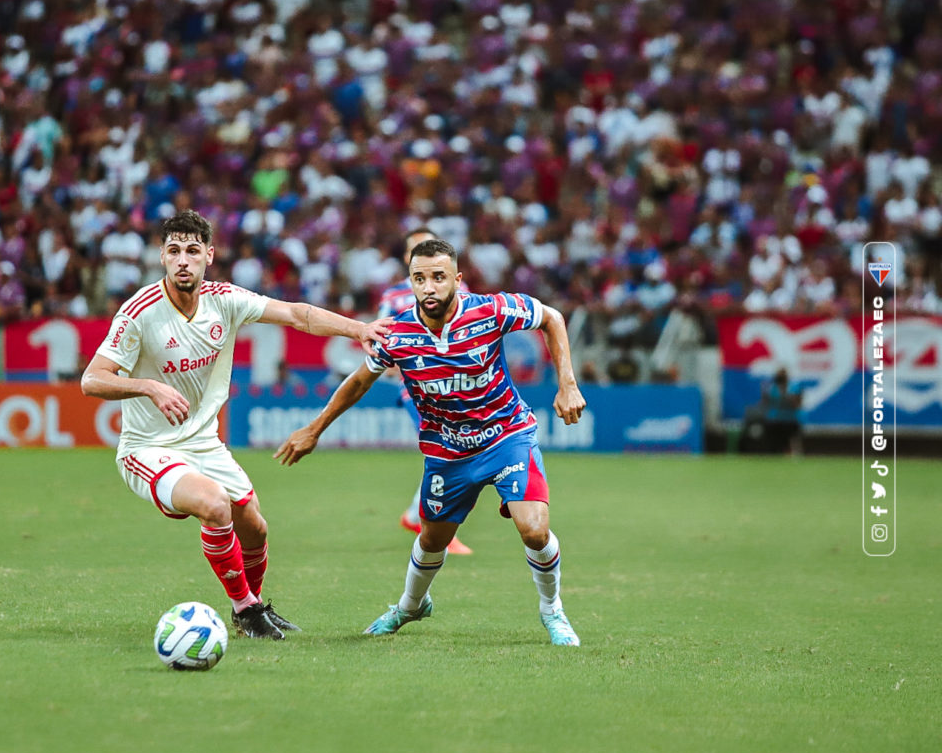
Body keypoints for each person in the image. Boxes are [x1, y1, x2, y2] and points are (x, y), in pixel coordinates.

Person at [81, 210, 389, 640]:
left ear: (209, 254)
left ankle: (253, 607)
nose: (183, 260)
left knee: (255, 527)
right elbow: (92, 379)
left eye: (192, 250)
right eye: (174, 251)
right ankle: (245, 608)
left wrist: (359, 328)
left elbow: (298, 315)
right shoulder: (140, 312)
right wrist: (150, 386)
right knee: (214, 505)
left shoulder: (225, 300)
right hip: (147, 448)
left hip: (204, 444)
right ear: (162, 258)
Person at [275, 238, 587, 645]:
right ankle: (410, 606)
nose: (429, 287)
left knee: (534, 529)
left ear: (457, 279)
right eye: (419, 278)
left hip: (506, 436)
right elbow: (358, 383)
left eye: (438, 277)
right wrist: (315, 428)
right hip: (447, 452)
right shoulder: (399, 333)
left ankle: (553, 611)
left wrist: (567, 383)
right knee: (432, 540)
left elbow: (553, 318)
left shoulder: (490, 310)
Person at [377, 228, 473, 556]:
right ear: (407, 259)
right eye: (415, 249)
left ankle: (416, 516)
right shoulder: (392, 297)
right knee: (447, 449)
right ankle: (433, 523)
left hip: (456, 389)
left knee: (454, 449)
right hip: (415, 389)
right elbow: (381, 340)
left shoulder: (461, 291)